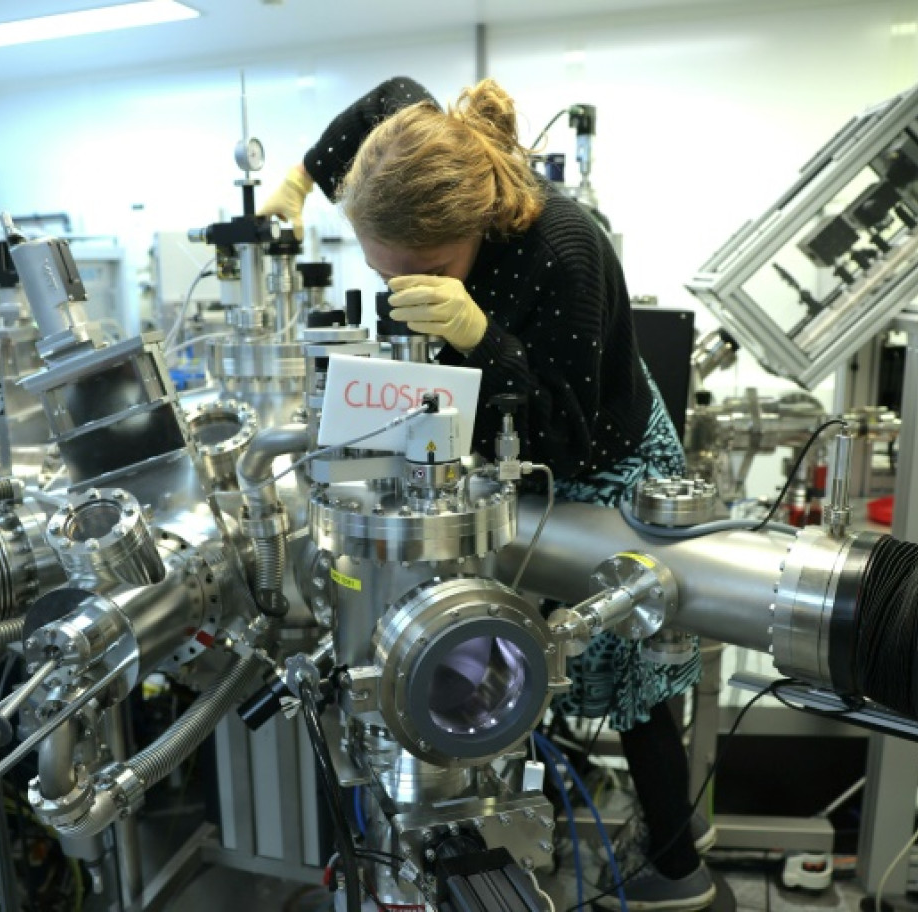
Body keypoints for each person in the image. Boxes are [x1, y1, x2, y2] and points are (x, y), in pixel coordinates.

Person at [259, 76, 713, 911]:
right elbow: (374, 108)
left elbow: (564, 434)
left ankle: (678, 865)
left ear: (468, 232)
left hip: (600, 454)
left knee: (625, 673)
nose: (407, 290)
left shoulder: (565, 249)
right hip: (495, 427)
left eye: (426, 274)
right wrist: (293, 183)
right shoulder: (414, 141)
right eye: (383, 273)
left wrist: (479, 334)